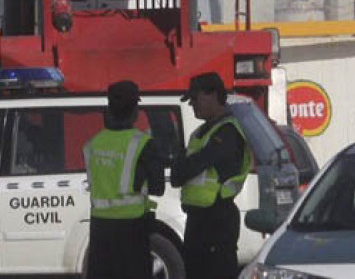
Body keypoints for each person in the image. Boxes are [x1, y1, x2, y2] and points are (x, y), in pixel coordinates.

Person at [171, 72, 252, 279]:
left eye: (195, 98)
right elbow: (178, 175)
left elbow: (189, 167)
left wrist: (185, 166)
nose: (192, 105)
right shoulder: (200, 133)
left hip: (218, 219)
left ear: (213, 95)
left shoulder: (228, 131)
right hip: (197, 219)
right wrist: (184, 166)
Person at [85, 81, 165, 279]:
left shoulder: (92, 144)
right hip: (132, 228)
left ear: (108, 109)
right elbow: (158, 187)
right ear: (135, 111)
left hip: (100, 229)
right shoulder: (143, 144)